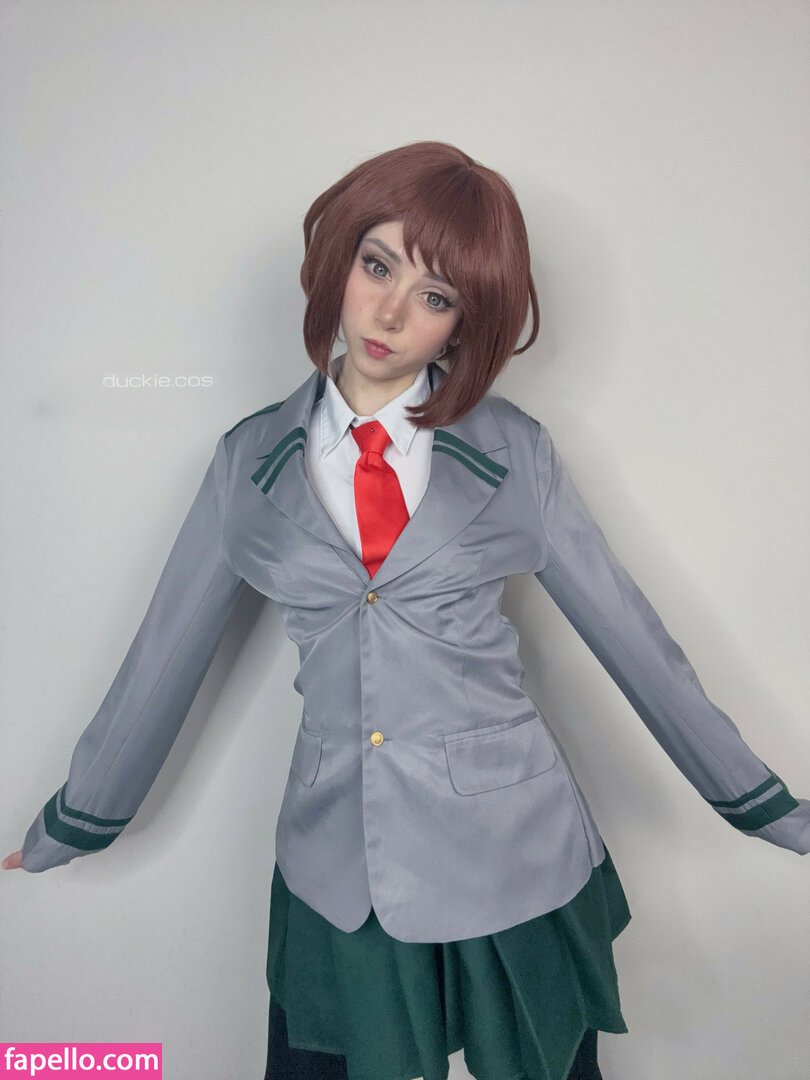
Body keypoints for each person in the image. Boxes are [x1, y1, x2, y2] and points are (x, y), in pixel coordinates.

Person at [4, 141, 808, 1080]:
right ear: (336, 261)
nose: (389, 314)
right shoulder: (247, 462)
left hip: (512, 843)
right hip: (336, 853)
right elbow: (163, 658)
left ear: (467, 322)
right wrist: (73, 822)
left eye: (436, 295)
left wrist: (769, 810)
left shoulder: (514, 451)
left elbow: (633, 640)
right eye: (377, 265)